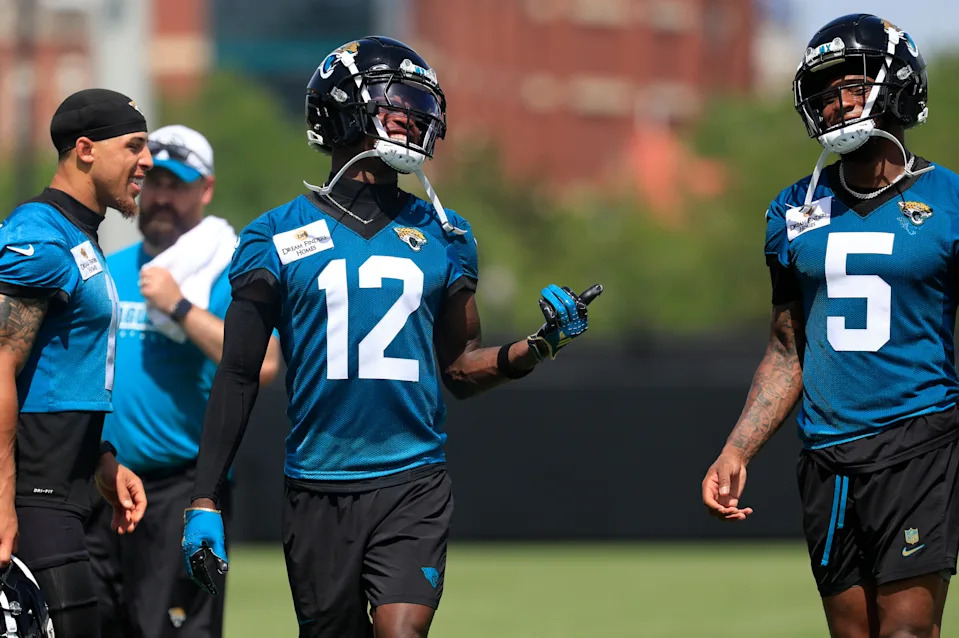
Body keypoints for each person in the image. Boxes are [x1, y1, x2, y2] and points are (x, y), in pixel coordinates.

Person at [180, 36, 602, 638]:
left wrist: (535, 347)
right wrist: (204, 501)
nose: (415, 117)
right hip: (318, 488)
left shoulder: (447, 235)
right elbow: (238, 374)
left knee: (401, 632)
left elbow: (457, 370)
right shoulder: (272, 237)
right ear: (344, 106)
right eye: (398, 100)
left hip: (413, 480)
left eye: (420, 104)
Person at [701, 14, 959, 638]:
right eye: (824, 88)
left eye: (851, 83)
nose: (834, 101)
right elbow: (788, 348)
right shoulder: (791, 209)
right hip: (827, 454)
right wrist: (738, 447)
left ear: (897, 83)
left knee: (907, 633)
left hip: (918, 441)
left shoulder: (950, 200)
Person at [85, 124, 282, 638]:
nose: (163, 197)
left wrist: (177, 305)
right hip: (102, 483)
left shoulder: (224, 273)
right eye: (155, 182)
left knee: (173, 630)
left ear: (206, 191)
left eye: (179, 185)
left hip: (181, 488)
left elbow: (263, 363)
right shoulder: (111, 266)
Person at [0, 88, 150, 637]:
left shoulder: (81, 236)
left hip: (67, 497)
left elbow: (58, 370)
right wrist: (4, 505)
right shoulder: (38, 234)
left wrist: (101, 460)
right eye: (134, 145)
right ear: (85, 149)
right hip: (33, 504)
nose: (148, 161)